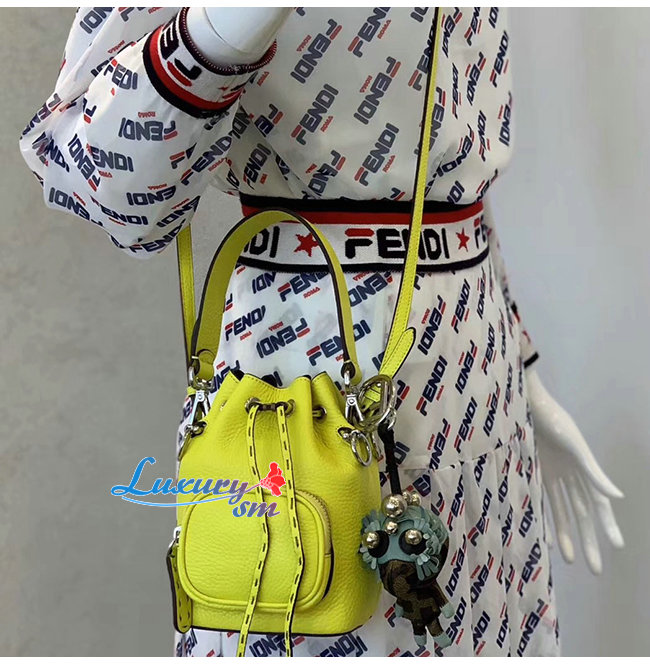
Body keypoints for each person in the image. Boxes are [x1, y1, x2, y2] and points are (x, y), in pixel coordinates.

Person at [20, 6, 623, 657]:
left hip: (481, 372)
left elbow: (453, 193)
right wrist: (224, 28)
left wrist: (523, 370)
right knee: (307, 600)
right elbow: (103, 185)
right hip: (302, 356)